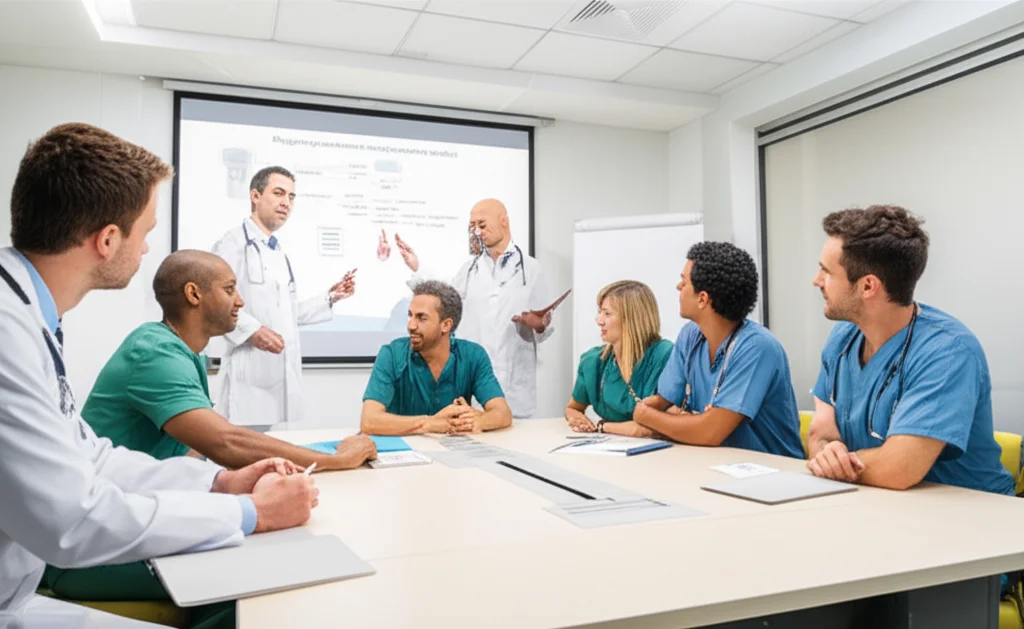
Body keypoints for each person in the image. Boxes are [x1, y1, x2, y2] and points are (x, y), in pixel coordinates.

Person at [0, 123, 316, 628]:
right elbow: (73, 518)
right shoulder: (7, 330)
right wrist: (250, 512)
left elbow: (92, 458)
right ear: (108, 239)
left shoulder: (27, 316)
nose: (148, 250)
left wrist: (220, 483)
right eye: (145, 232)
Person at [79, 249, 377, 470]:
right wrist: (336, 460)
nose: (240, 301)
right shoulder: (154, 353)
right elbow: (224, 442)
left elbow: (193, 449)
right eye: (229, 289)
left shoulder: (182, 352)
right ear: (194, 294)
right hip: (104, 513)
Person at [806, 206, 1013, 494]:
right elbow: (820, 435)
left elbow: (898, 469)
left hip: (967, 510)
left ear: (867, 286)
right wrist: (828, 455)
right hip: (874, 500)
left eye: (827, 271)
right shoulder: (843, 339)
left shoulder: (947, 352)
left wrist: (838, 465)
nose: (817, 280)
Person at [211, 166, 356, 429]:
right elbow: (216, 301)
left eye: (291, 197)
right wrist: (253, 331)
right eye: (278, 193)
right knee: (243, 450)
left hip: (279, 381)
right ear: (255, 196)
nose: (286, 203)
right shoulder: (233, 244)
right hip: (249, 382)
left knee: (278, 448)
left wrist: (330, 298)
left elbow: (286, 313)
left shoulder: (277, 251)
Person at [632, 242, 804, 458]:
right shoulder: (690, 336)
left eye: (684, 281)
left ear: (702, 299)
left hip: (771, 468)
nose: (678, 287)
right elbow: (662, 402)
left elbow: (709, 432)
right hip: (712, 461)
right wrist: (661, 415)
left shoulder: (758, 347)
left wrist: (645, 415)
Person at [398, 199, 556, 418]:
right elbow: (442, 299)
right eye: (473, 226)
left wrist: (538, 324)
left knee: (512, 431)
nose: (477, 232)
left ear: (504, 221)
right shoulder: (469, 270)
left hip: (514, 386)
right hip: (471, 382)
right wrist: (418, 267)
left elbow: (545, 325)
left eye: (482, 225)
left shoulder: (530, 269)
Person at [360, 280, 512, 436]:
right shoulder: (391, 355)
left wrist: (475, 421)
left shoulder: (473, 355)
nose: (411, 326)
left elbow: (502, 413)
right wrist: (430, 423)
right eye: (410, 315)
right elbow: (369, 421)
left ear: (446, 325)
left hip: (450, 447)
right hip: (403, 447)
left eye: (422, 318)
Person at [565, 280, 673, 435]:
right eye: (599, 312)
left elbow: (662, 425)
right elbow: (573, 408)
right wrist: (576, 418)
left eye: (607, 314)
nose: (599, 321)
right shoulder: (593, 362)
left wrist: (603, 427)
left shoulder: (665, 356)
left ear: (632, 318)